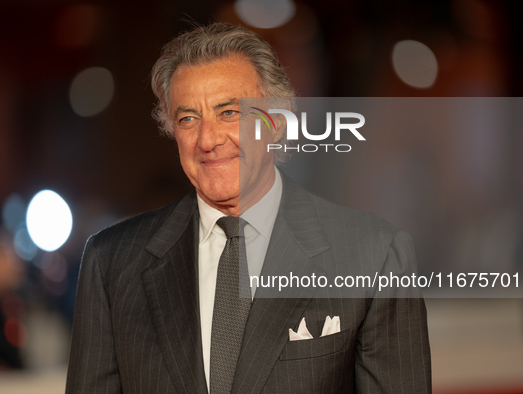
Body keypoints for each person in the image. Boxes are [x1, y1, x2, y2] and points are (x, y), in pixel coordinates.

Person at [66, 22, 431, 393]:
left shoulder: (374, 254)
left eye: (229, 113)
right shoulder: (111, 262)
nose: (207, 140)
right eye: (188, 118)